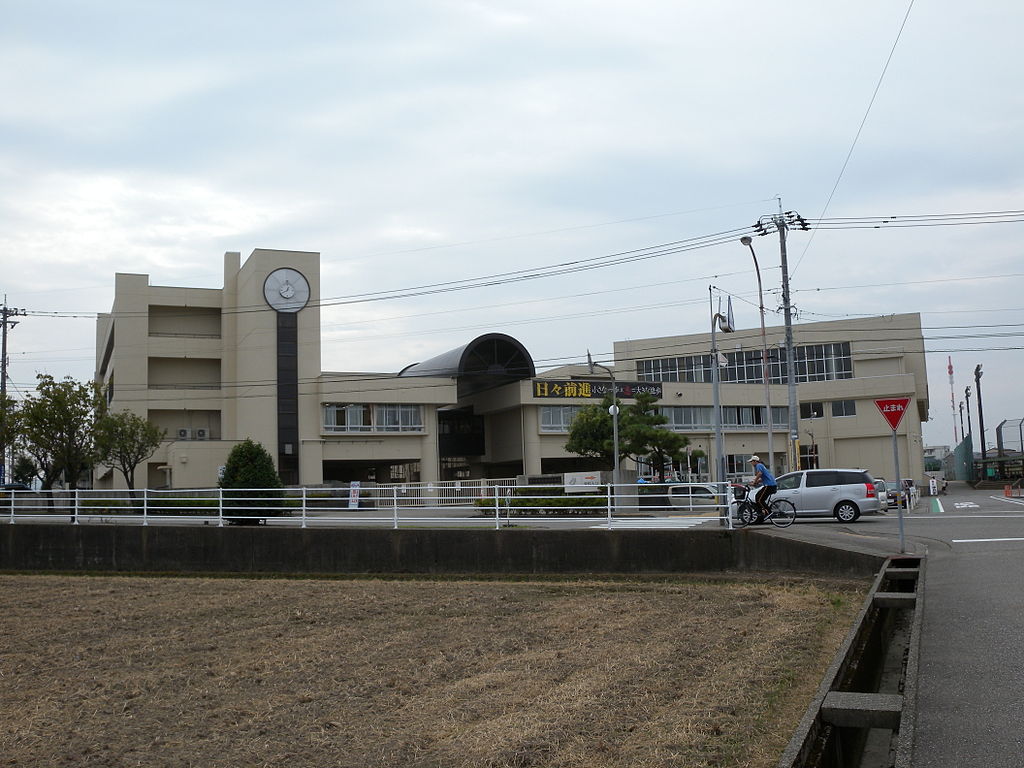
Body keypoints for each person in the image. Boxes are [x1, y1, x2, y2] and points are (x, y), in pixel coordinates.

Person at [748, 455, 777, 522]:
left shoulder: (759, 465)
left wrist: (754, 481)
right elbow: (763, 477)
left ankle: (768, 512)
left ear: (755, 461)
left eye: (751, 462)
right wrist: (755, 482)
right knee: (758, 497)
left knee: (759, 499)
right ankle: (763, 512)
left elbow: (760, 474)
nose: (751, 463)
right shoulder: (761, 466)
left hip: (769, 485)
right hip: (771, 485)